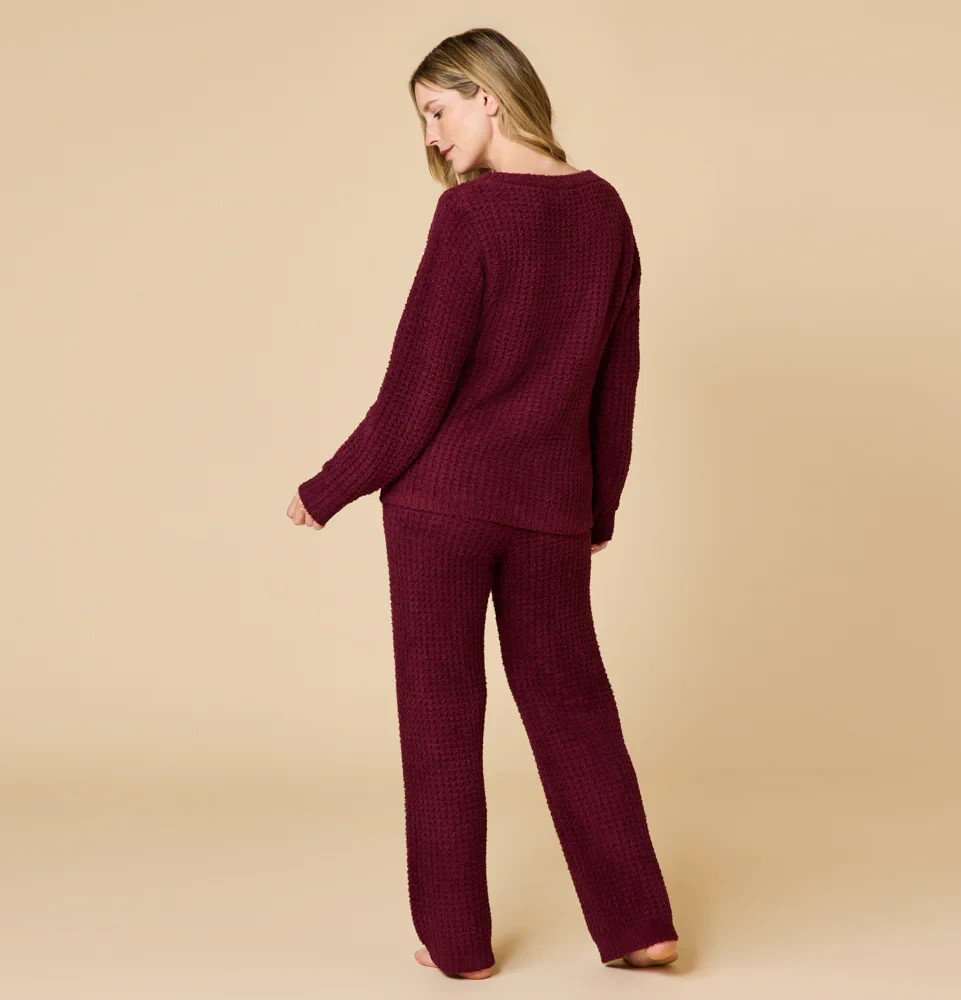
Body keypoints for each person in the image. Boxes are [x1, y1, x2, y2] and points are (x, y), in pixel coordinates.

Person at [286, 27, 679, 980]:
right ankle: (640, 925)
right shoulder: (606, 211)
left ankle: (459, 945)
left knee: (441, 717)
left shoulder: (470, 216)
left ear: (490, 96)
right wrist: (597, 510)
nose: (431, 136)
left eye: (437, 109)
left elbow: (417, 387)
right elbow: (615, 387)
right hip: (551, 510)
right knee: (575, 707)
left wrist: (326, 489)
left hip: (442, 509)